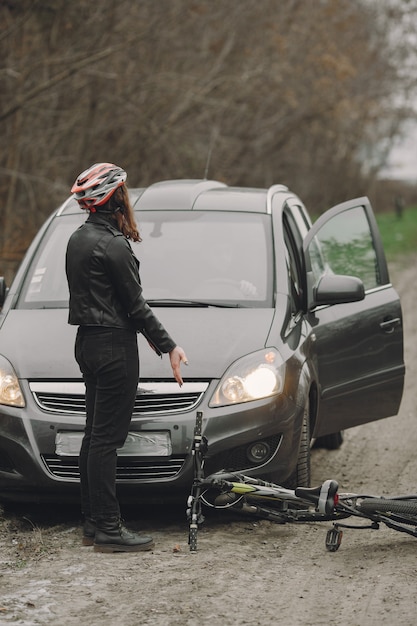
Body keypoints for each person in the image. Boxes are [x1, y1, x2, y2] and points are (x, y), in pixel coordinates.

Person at [65, 162, 188, 553]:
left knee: (93, 435)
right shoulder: (114, 245)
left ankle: (91, 522)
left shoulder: (77, 238)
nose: (127, 197)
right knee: (107, 440)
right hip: (115, 347)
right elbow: (136, 307)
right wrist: (169, 346)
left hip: (86, 343)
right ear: (114, 196)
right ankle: (109, 530)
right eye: (124, 191)